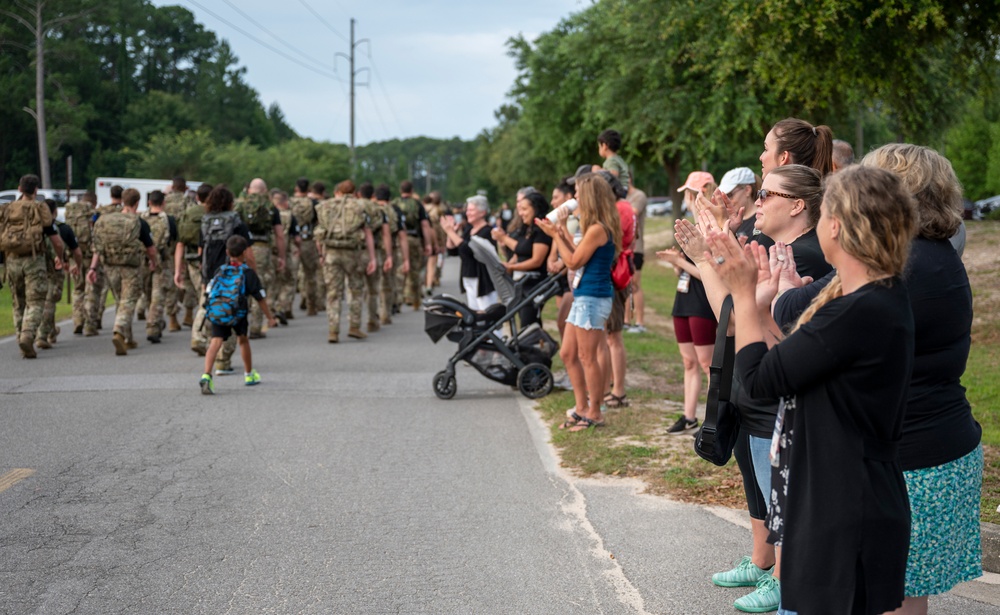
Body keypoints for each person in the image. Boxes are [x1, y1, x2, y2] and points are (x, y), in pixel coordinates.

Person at [774, 144, 984, 615]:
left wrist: (780, 295)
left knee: (888, 598)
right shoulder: (933, 253)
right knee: (902, 595)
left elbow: (812, 318)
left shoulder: (906, 266)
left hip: (914, 460)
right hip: (934, 445)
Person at [708, 165, 918, 615]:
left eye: (824, 216)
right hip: (855, 496)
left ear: (837, 226)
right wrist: (766, 309)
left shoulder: (856, 310)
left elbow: (762, 380)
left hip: (843, 507)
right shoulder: (876, 295)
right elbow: (793, 370)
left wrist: (744, 295)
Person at [538, 173, 622, 432]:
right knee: (568, 353)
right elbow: (576, 256)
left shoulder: (598, 229)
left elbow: (573, 262)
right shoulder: (593, 226)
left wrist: (555, 236)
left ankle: (594, 412)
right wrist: (561, 230)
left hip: (592, 297)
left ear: (590, 196)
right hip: (584, 295)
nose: (574, 197)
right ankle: (581, 407)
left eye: (577, 193)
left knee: (587, 357)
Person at [659, 170, 718, 435]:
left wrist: (680, 262)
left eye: (690, 193)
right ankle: (689, 415)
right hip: (683, 298)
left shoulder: (712, 226)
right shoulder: (692, 224)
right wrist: (677, 263)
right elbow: (688, 269)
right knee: (688, 362)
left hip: (703, 301)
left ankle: (712, 419)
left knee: (707, 364)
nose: (686, 198)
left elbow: (710, 272)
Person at [199, 235, 278, 395]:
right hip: (238, 313)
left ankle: (207, 375)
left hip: (219, 311)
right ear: (245, 253)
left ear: (227, 252)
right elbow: (260, 297)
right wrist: (270, 317)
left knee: (215, 342)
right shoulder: (248, 273)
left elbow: (209, 291)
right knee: (243, 340)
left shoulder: (220, 270)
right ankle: (249, 375)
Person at [0, 174, 66, 358]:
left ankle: (20, 335)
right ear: (36, 190)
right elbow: (57, 241)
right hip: (34, 260)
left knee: (18, 301)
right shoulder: (40, 209)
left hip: (12, 261)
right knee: (36, 301)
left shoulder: (6, 209)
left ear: (19, 188)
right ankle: (28, 336)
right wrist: (59, 257)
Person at [87, 188, 158, 356]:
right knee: (128, 301)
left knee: (121, 300)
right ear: (137, 203)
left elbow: (97, 248)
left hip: (110, 266)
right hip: (130, 267)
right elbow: (151, 249)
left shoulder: (105, 220)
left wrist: (92, 268)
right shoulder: (138, 222)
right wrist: (153, 262)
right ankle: (119, 330)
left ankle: (128, 338)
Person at [199, 185, 256, 374]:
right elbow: (247, 251)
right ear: (230, 202)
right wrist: (252, 275)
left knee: (213, 312)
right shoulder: (235, 221)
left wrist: (204, 277)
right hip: (233, 276)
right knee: (233, 314)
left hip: (211, 275)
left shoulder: (206, 221)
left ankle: (209, 352)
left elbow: (202, 250)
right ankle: (223, 362)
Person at [314, 179, 377, 343]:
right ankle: (354, 327)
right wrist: (372, 258)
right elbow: (368, 234)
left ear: (339, 191)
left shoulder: (326, 206)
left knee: (333, 293)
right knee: (355, 289)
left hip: (331, 253)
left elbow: (319, 233)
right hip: (353, 254)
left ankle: (333, 331)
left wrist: (321, 254)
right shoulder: (359, 206)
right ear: (354, 192)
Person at [235, 178, 286, 339]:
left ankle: (238, 324)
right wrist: (281, 256)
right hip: (262, 248)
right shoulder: (271, 207)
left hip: (241, 248)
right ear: (265, 190)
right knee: (258, 284)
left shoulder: (240, 204)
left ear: (249, 190)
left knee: (239, 284)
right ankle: (256, 327)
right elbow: (279, 234)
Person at [491, 191, 552, 327]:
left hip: (534, 283)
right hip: (521, 284)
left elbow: (537, 260)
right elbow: (518, 252)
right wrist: (508, 264)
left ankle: (537, 346)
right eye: (520, 209)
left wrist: (511, 267)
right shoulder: (525, 229)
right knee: (524, 321)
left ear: (536, 209)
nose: (521, 213)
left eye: (525, 209)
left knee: (529, 321)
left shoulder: (541, 230)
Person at [36, 199, 82, 348]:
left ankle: (51, 332)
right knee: (50, 301)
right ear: (55, 211)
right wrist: (77, 265)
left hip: (34, 269)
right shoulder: (63, 229)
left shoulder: (34, 227)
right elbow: (77, 252)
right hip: (54, 269)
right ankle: (42, 335)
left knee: (41, 301)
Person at [441, 195, 498, 311]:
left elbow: (469, 250)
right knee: (475, 313)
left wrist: (450, 232)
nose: (467, 213)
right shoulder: (469, 229)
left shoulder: (487, 231)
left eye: (471, 210)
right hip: (468, 277)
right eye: (467, 210)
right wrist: (451, 234)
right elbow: (453, 250)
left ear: (482, 212)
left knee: (487, 313)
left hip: (483, 280)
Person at [174, 182, 212, 355]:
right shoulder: (215, 214)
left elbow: (180, 243)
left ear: (197, 197)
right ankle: (201, 336)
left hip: (191, 260)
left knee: (202, 296)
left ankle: (203, 335)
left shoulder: (188, 213)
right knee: (207, 298)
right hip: (211, 260)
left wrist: (177, 269)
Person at [139, 190, 178, 343]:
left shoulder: (140, 219)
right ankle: (154, 326)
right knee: (157, 295)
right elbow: (174, 240)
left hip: (143, 261)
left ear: (149, 203)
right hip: (162, 261)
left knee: (148, 295)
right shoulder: (169, 220)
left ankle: (154, 322)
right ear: (164, 203)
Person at [393, 181, 434, 310]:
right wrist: (428, 243)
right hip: (414, 239)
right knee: (415, 271)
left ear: (400, 190)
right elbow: (425, 225)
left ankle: (397, 300)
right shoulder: (417, 204)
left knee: (399, 271)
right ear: (411, 191)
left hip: (399, 240)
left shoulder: (394, 204)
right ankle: (416, 300)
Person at [63, 191, 98, 336]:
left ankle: (77, 320)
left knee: (77, 290)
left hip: (73, 257)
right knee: (90, 290)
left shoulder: (71, 214)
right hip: (89, 256)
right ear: (93, 203)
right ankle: (89, 325)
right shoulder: (94, 215)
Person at [374, 183, 408, 325]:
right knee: (387, 281)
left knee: (372, 283)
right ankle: (385, 313)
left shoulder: (371, 209)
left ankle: (373, 311)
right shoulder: (395, 210)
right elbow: (402, 235)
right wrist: (406, 258)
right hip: (390, 249)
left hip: (373, 249)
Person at [358, 181, 390, 332]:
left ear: (358, 194)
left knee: (355, 287)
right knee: (373, 288)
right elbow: (386, 234)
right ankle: (372, 319)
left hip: (354, 251)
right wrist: (388, 255)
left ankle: (355, 321)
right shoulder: (378, 210)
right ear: (373, 196)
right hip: (373, 250)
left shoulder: (353, 207)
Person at [760, 117, 834, 177]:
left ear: (783, 157)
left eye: (766, 149)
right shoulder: (819, 193)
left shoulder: (779, 195)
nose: (761, 157)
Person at [270, 189, 300, 325]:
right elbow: (297, 238)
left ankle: (270, 311)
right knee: (289, 281)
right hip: (284, 253)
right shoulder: (290, 216)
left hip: (268, 253)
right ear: (285, 202)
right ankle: (280, 307)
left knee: (271, 284)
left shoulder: (268, 214)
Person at [624, 182, 648, 333]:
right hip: (624, 249)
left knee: (635, 285)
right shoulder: (622, 198)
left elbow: (632, 213)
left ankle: (640, 323)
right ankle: (626, 321)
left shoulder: (639, 196)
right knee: (626, 286)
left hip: (636, 249)